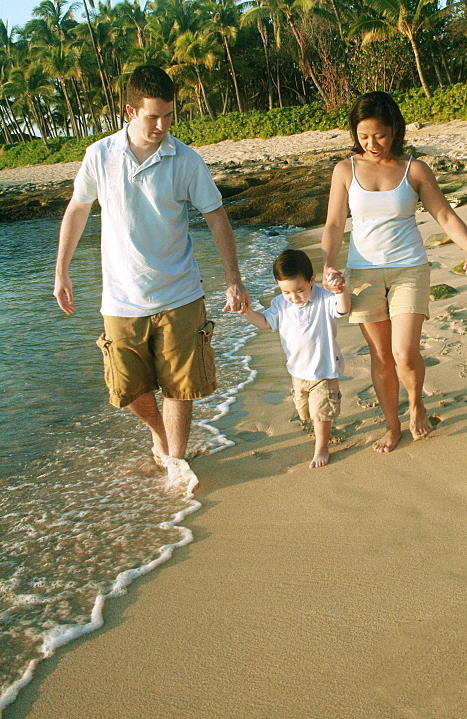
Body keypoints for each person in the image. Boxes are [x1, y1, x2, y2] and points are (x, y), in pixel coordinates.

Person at [53, 64, 249, 492]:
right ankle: (159, 435)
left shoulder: (186, 159)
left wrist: (233, 278)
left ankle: (175, 460)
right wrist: (61, 270)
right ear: (129, 110)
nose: (161, 126)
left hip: (180, 292)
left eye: (169, 116)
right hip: (121, 299)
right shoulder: (99, 155)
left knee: (181, 386)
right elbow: (78, 209)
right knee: (127, 389)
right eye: (152, 116)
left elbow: (215, 215)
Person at [321, 91, 467, 454]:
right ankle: (392, 425)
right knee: (380, 357)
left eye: (379, 135)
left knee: (405, 354)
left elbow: (443, 214)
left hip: (409, 269)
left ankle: (416, 404)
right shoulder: (344, 170)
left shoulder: (414, 169)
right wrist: (328, 263)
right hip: (363, 273)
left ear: (394, 128)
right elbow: (334, 223)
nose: (372, 143)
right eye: (364, 136)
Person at [237, 248, 351, 468]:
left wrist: (340, 291)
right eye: (286, 292)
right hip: (297, 372)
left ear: (311, 280)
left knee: (321, 413)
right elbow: (265, 323)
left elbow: (343, 309)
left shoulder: (324, 297)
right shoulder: (280, 304)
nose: (294, 298)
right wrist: (245, 312)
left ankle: (322, 447)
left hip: (323, 369)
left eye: (299, 290)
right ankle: (319, 429)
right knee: (305, 412)